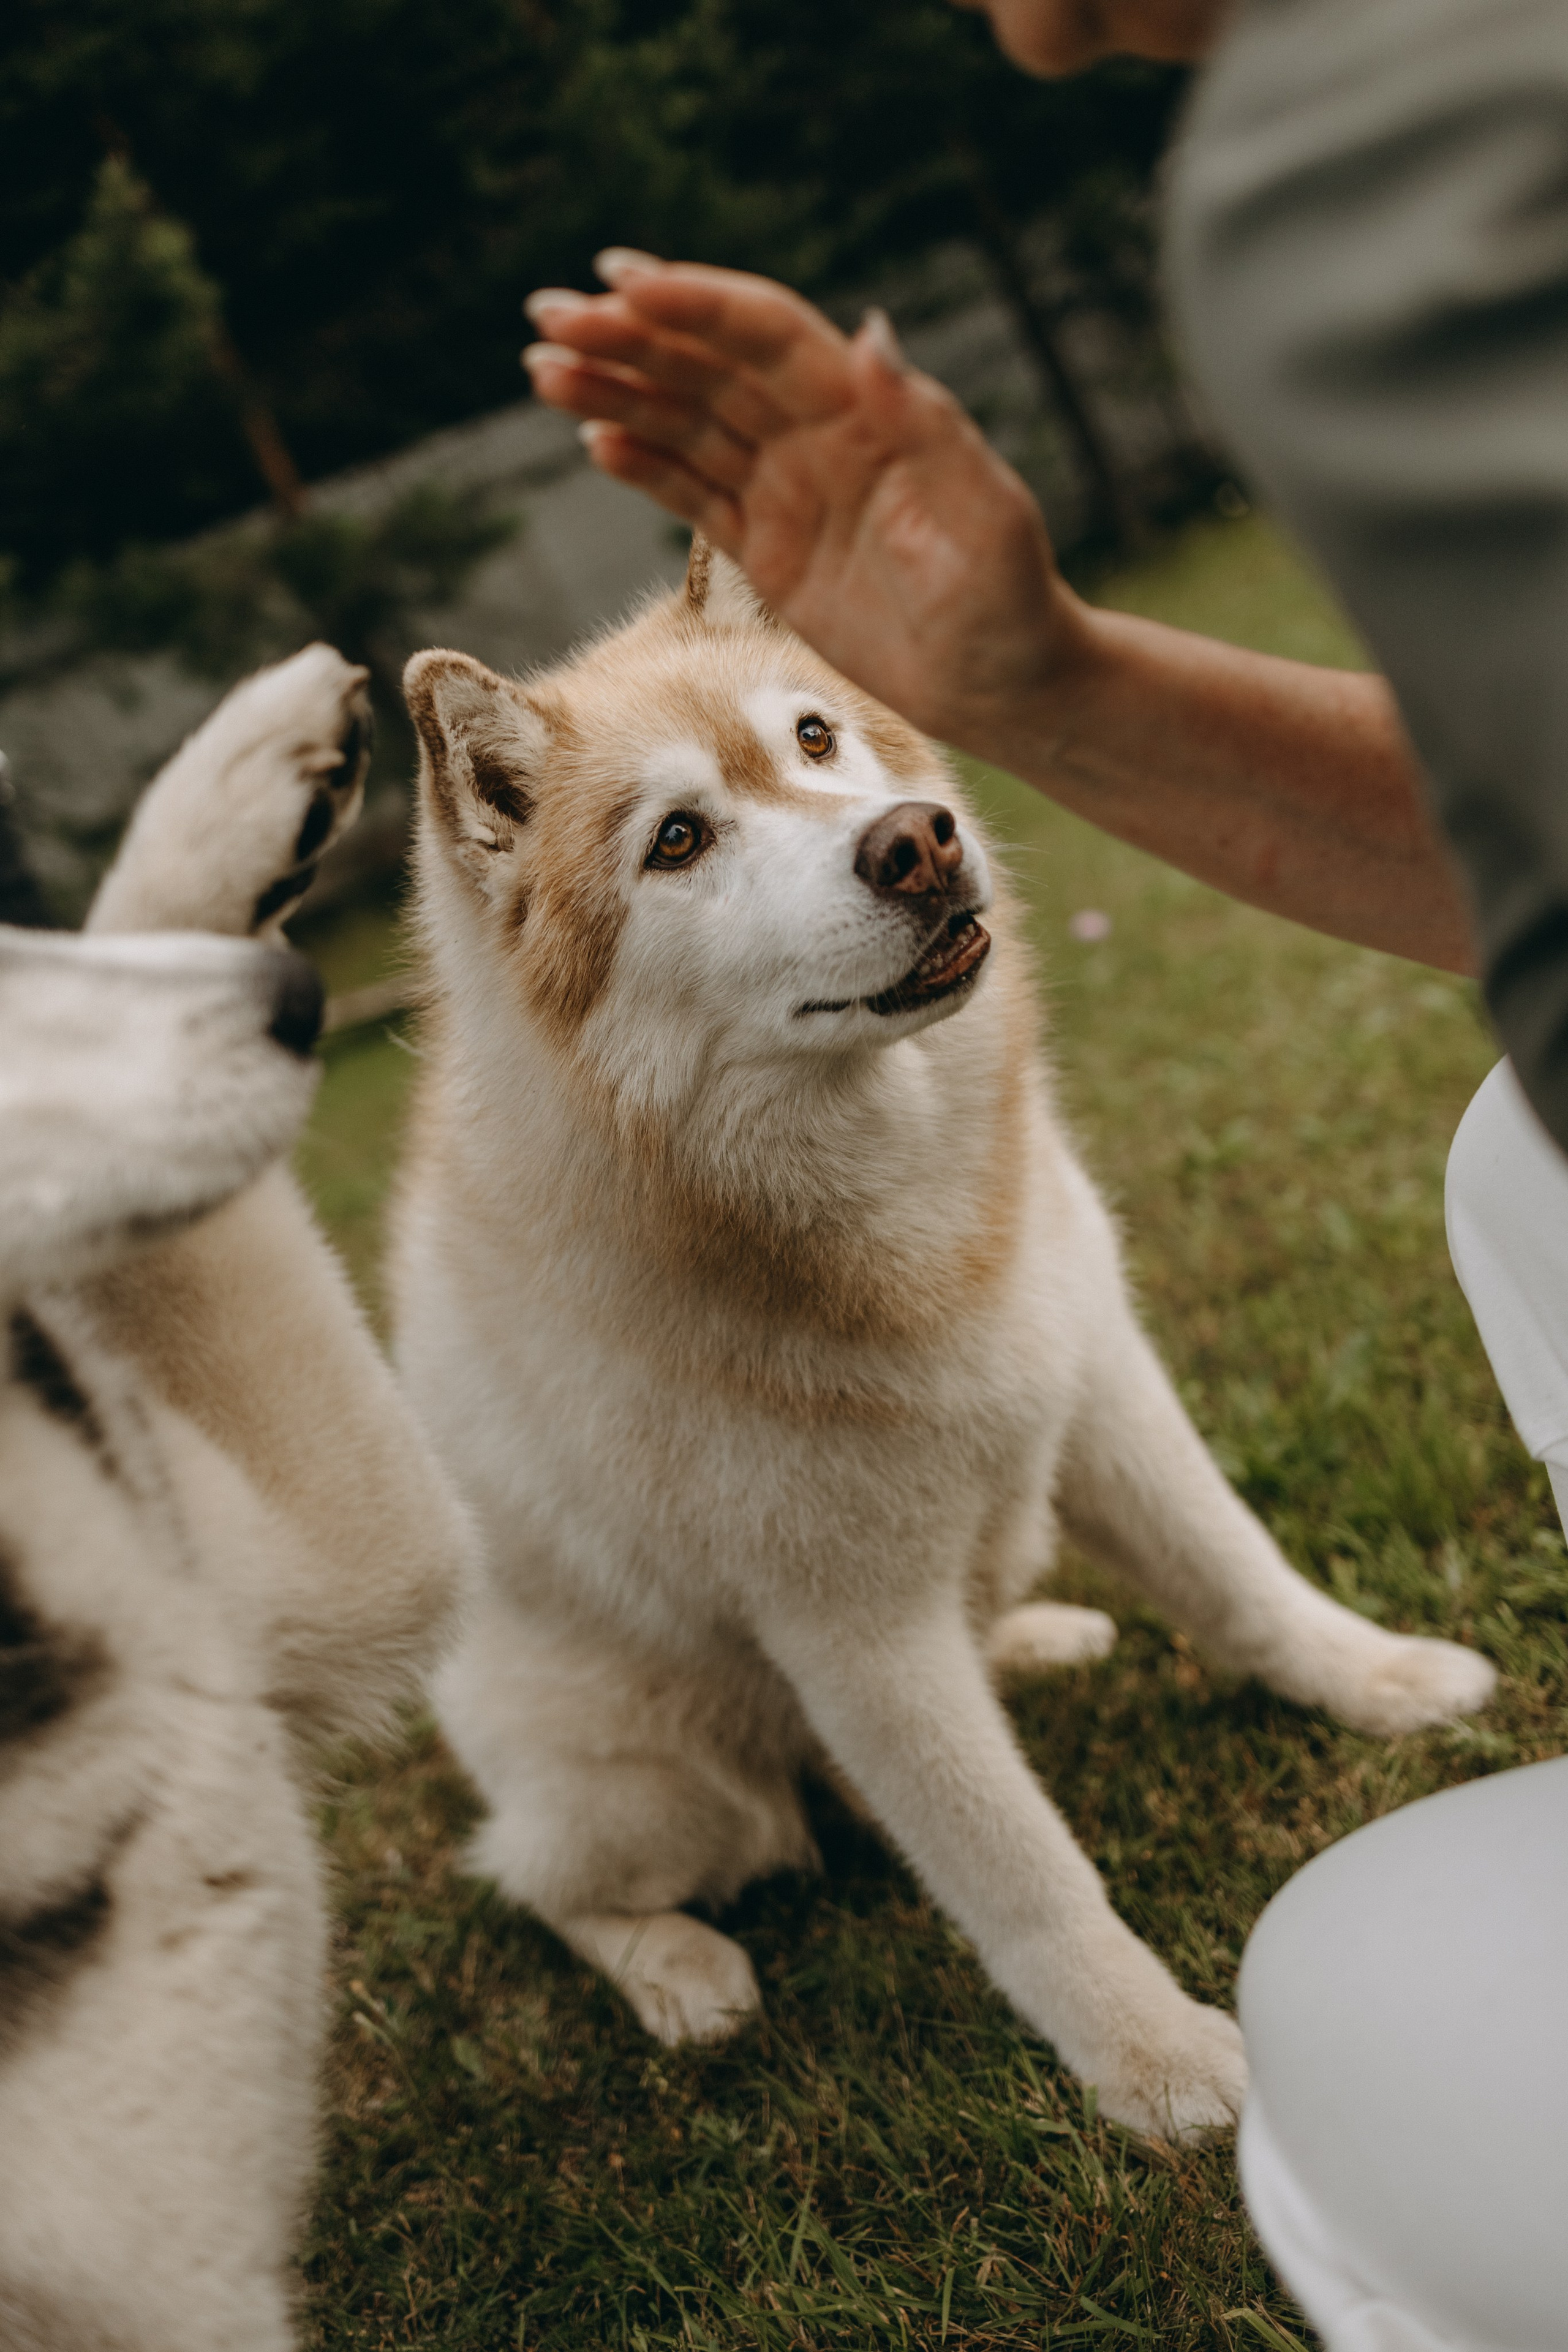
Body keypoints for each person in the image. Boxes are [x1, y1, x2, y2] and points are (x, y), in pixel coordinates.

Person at [519, 5, 1568, 2346]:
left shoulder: (1353, 150)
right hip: (673, 1740)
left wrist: (1282, 1625)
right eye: (701, 827)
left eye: (830, 750)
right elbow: (1533, 837)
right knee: (1515, 1166)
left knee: (1354, 2023)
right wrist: (1044, 674)